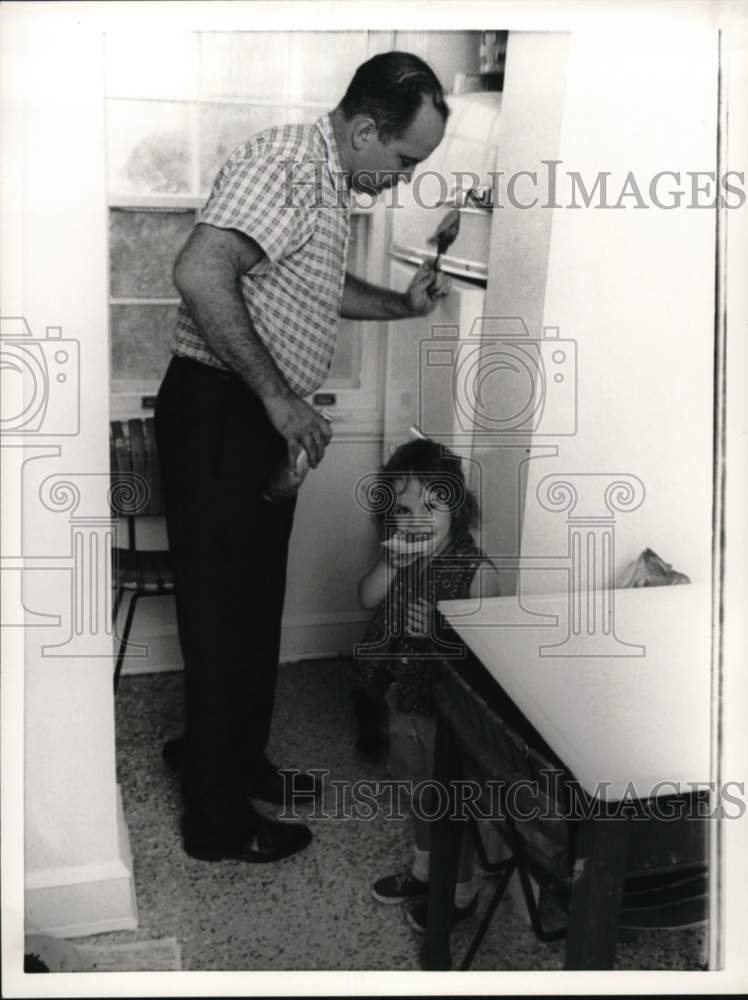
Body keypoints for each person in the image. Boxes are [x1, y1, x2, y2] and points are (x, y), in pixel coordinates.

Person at [155, 51, 451, 865]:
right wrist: (278, 398)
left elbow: (314, 287)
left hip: (250, 421)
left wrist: (402, 305)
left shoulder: (325, 181)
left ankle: (230, 759)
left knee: (249, 610)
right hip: (223, 413)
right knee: (226, 620)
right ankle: (216, 821)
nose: (403, 179)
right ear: (364, 130)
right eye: (404, 160)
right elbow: (199, 271)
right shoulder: (286, 164)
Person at [353, 438, 501, 932]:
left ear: (456, 507)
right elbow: (365, 598)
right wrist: (388, 564)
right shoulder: (403, 557)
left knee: (448, 804)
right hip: (405, 699)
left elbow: (488, 663)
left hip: (449, 716)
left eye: (430, 507)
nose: (416, 520)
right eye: (403, 510)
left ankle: (460, 893)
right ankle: (423, 871)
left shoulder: (476, 572)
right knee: (419, 794)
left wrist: (440, 635)